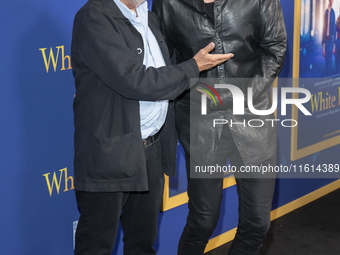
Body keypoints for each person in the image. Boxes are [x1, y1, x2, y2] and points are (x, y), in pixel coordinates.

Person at [71, 0, 233, 254]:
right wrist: (194, 66)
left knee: (142, 244)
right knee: (96, 245)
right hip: (110, 153)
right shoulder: (94, 17)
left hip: (151, 151)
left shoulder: (149, 16)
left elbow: (166, 70)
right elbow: (135, 81)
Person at [152, 0, 287, 254]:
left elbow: (275, 48)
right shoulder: (167, 3)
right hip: (200, 121)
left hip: (252, 118)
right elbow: (165, 60)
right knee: (203, 219)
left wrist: (244, 95)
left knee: (257, 222)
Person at [322, 0, 336, 77]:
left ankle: (329, 78)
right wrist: (323, 48)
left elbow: (333, 29)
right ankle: (326, 76)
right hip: (326, 41)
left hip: (331, 41)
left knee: (330, 61)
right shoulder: (326, 12)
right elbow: (324, 29)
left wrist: (334, 46)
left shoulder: (333, 13)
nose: (332, 1)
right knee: (326, 60)